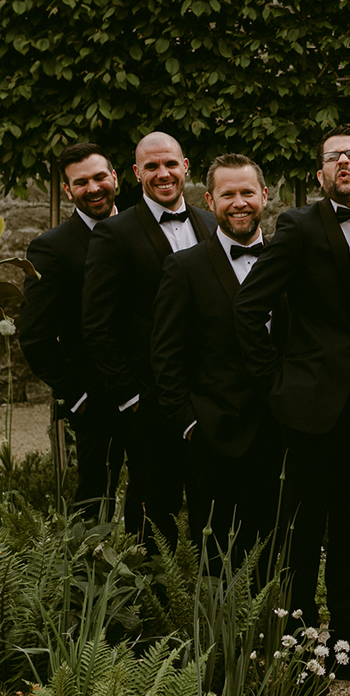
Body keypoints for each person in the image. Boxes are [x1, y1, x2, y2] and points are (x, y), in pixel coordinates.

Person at [232, 127, 350, 690]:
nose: (342, 163)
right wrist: (276, 382)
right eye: (331, 157)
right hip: (307, 405)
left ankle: (347, 645)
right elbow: (249, 306)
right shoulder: (297, 225)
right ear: (319, 174)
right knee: (304, 526)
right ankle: (300, 646)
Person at [82, 132, 215, 542]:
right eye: (152, 166)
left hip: (210, 394)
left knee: (211, 503)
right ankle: (152, 601)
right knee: (154, 511)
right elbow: (98, 323)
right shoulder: (114, 234)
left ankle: (209, 600)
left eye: (171, 164)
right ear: (137, 173)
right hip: (150, 402)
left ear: (186, 167)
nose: (163, 174)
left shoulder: (211, 224)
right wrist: (129, 396)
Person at [150, 154, 283, 562]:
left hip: (282, 431)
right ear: (210, 200)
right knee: (218, 556)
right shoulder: (184, 268)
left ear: (264, 196)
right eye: (228, 194)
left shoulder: (287, 261)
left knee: (280, 549)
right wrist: (190, 423)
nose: (239, 202)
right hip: (214, 436)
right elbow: (165, 354)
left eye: (247, 192)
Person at [18, 142, 124, 510]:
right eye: (81, 183)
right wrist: (76, 396)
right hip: (95, 398)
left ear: (115, 178)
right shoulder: (52, 248)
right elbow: (34, 333)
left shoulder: (143, 229)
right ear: (67, 191)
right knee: (96, 494)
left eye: (99, 177)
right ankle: (88, 565)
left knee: (156, 490)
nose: (93, 188)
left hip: (152, 389)